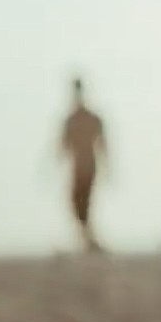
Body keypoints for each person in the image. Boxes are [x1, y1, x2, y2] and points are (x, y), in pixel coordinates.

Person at [57, 76, 109, 252]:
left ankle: (89, 240)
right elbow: (63, 145)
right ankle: (88, 239)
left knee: (82, 204)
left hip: (86, 166)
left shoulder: (87, 118)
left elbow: (102, 144)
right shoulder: (72, 119)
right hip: (79, 167)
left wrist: (108, 166)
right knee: (77, 204)